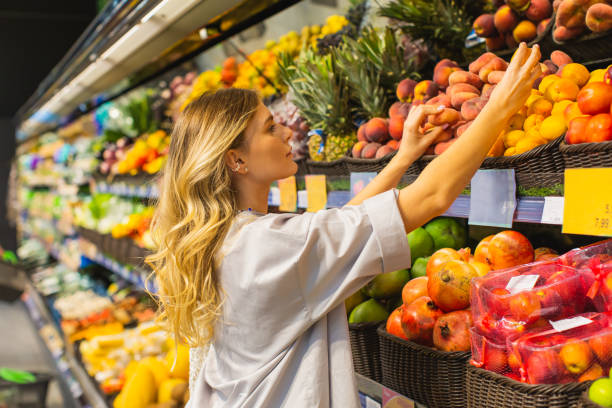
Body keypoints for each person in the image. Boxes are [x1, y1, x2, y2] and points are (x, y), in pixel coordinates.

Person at [147, 43, 542, 407]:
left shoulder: (232, 240)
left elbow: (340, 227)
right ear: (236, 160)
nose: (287, 131)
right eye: (270, 128)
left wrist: (402, 158)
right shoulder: (268, 247)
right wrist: (499, 108)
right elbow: (430, 198)